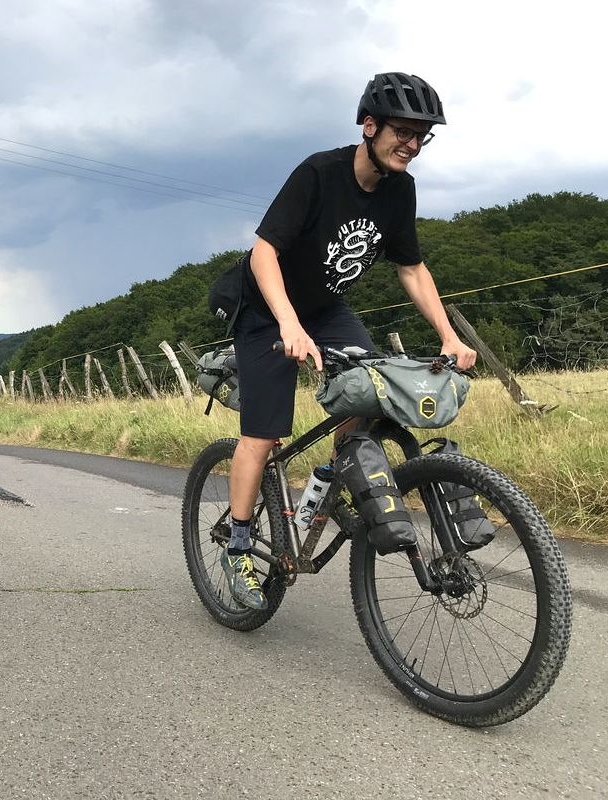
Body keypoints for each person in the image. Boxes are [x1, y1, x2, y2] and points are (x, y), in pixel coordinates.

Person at [220, 72, 478, 610]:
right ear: (370, 125)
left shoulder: (400, 188)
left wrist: (449, 336)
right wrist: (288, 325)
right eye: (402, 132)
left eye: (420, 136)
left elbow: (411, 267)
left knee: (371, 388)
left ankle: (337, 482)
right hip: (266, 308)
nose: (411, 144)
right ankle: (238, 542)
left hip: (326, 307)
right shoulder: (320, 173)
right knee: (265, 434)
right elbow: (264, 252)